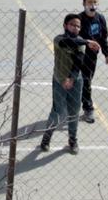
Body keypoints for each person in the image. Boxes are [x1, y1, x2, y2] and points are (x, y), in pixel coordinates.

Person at [37, 14, 97, 153]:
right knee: (57, 112)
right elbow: (67, 43)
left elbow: (78, 62)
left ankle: (72, 140)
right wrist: (87, 41)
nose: (75, 28)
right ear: (65, 26)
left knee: (74, 111)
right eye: (72, 25)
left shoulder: (80, 43)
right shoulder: (58, 39)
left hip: (75, 81)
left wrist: (71, 78)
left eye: (78, 26)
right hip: (59, 80)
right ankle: (46, 138)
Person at [70, 0, 108, 123]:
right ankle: (88, 108)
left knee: (86, 82)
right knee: (85, 82)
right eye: (89, 2)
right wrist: (86, 42)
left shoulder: (100, 19)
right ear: (84, 3)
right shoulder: (78, 19)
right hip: (79, 56)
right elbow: (72, 38)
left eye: (95, 2)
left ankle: (78, 103)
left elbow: (103, 38)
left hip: (92, 58)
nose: (92, 5)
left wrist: (106, 54)